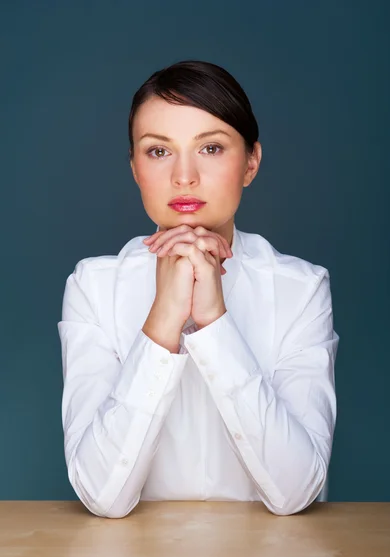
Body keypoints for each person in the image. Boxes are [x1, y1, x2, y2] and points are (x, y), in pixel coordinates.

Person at [57, 60, 339, 519]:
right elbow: (101, 494)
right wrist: (164, 318)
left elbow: (296, 492)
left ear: (251, 162)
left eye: (210, 148)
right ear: (134, 167)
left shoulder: (301, 289)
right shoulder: (94, 286)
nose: (184, 176)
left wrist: (214, 324)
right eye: (158, 151)